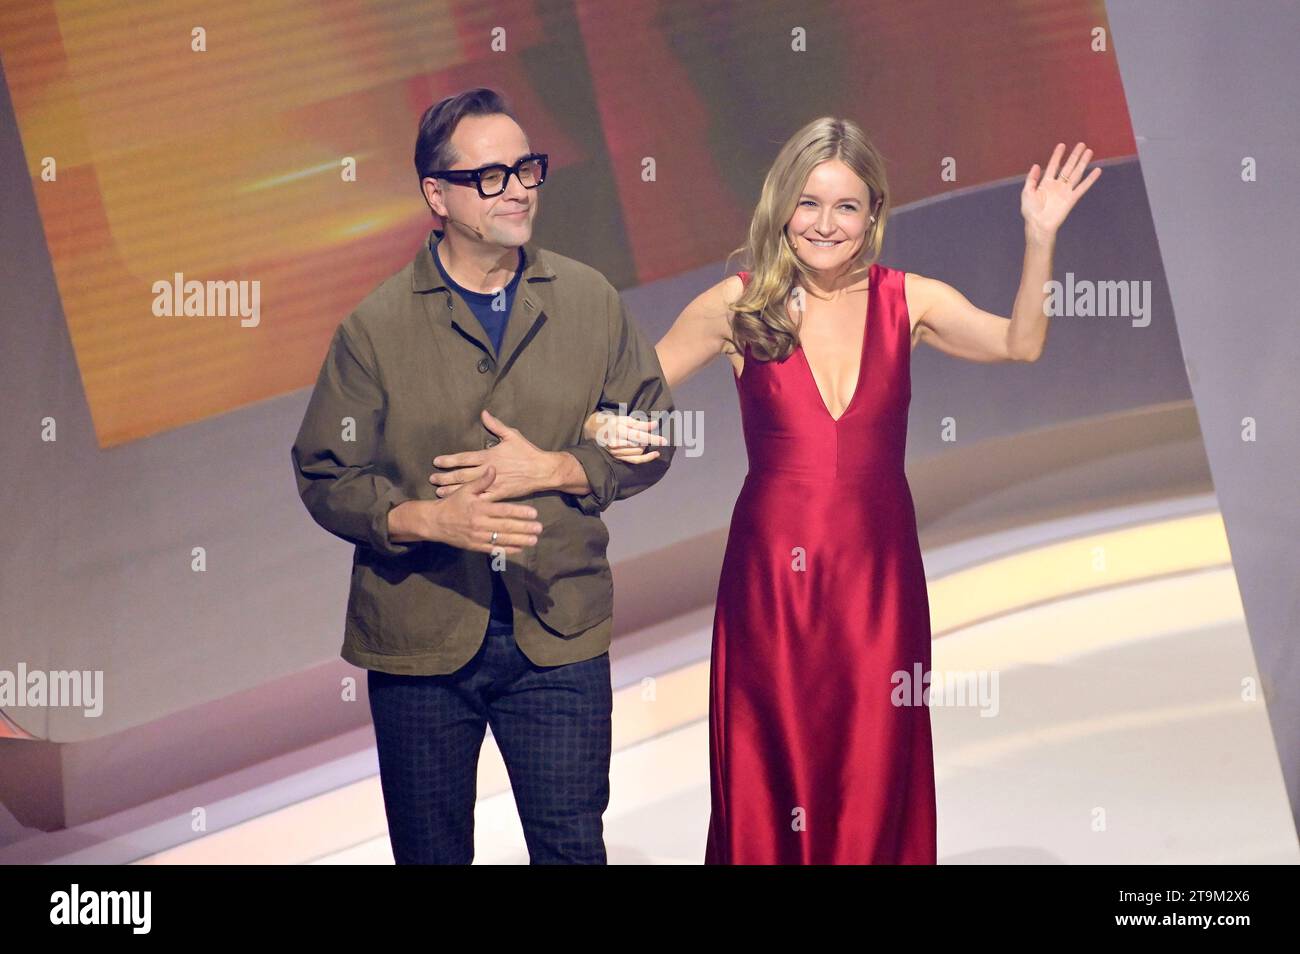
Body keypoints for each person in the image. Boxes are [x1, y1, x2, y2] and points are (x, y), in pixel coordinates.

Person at [590, 121, 1098, 863]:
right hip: (772, 587)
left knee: (872, 764)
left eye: (847, 206)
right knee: (776, 765)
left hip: (878, 584)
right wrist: (609, 428)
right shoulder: (736, 306)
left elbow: (1020, 343)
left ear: (874, 214)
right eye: (808, 203)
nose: (826, 224)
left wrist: (1039, 236)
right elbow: (620, 398)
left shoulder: (909, 300)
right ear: (781, 210)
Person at [290, 87, 676, 864]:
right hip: (422, 639)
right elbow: (327, 473)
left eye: (527, 169)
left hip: (558, 622)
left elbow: (656, 436)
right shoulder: (375, 327)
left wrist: (562, 466)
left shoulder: (587, 299)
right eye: (491, 177)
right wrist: (429, 519)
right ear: (437, 194)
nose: (520, 190)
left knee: (572, 847)